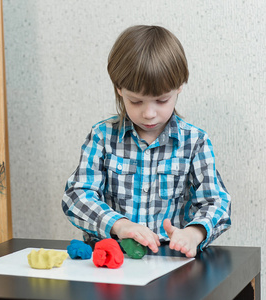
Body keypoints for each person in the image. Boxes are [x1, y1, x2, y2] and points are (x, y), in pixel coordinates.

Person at [61, 25, 231, 258]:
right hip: (111, 260)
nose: (149, 113)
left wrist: (194, 233)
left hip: (170, 262)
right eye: (136, 101)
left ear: (179, 87)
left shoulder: (195, 142)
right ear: (119, 89)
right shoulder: (102, 137)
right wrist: (119, 225)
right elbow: (76, 196)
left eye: (161, 100)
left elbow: (216, 202)